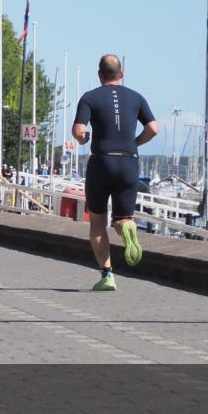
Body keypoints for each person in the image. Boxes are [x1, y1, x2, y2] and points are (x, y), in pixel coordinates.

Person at [72, 54, 158, 291]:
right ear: (121, 74)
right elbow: (153, 128)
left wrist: (83, 138)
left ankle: (107, 275)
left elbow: (79, 131)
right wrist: (134, 143)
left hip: (102, 162)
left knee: (97, 222)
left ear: (100, 74)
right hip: (129, 163)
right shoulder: (136, 97)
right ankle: (127, 227)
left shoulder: (90, 97)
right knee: (122, 218)